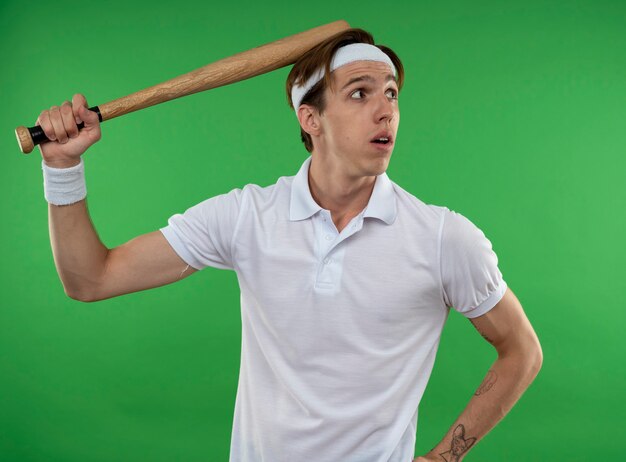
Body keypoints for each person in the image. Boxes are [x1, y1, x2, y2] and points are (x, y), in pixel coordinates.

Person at [36, 28, 542, 462]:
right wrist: (62, 168)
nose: (386, 110)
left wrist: (443, 456)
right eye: (360, 94)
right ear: (310, 119)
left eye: (391, 93)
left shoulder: (443, 238)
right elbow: (90, 279)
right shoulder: (245, 217)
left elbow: (521, 350)